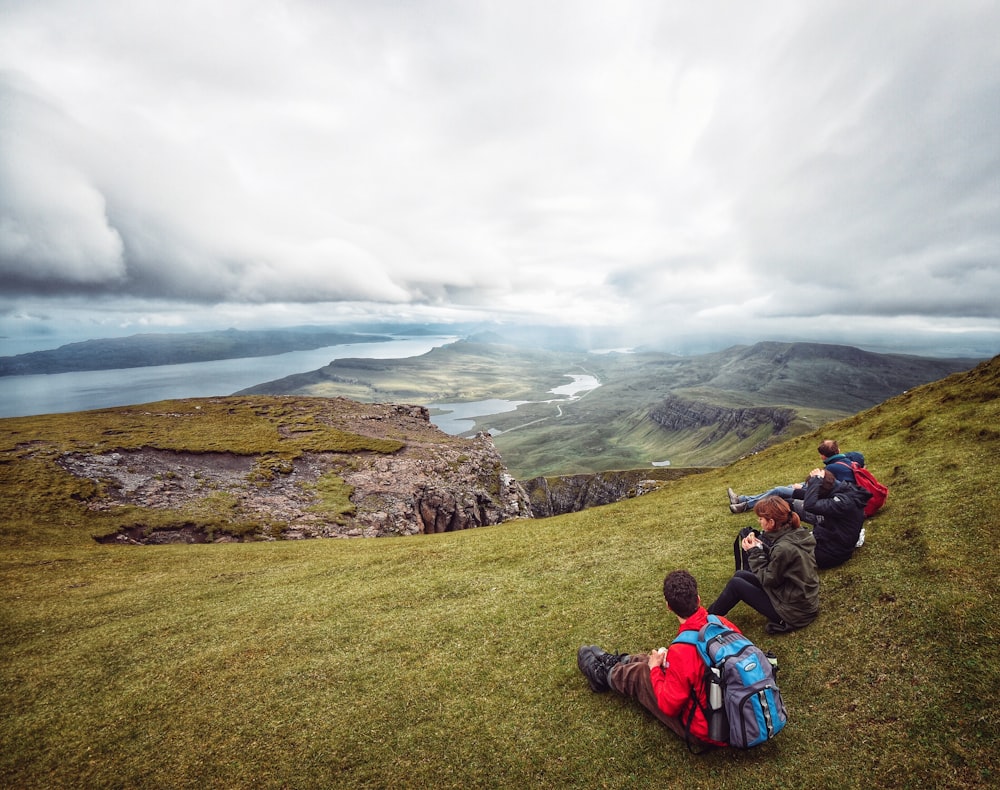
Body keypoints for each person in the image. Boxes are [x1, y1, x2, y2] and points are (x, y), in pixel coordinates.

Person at [577, 570, 740, 748]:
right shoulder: (722, 623)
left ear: (668, 607)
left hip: (708, 731)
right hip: (735, 713)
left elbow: (669, 705)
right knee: (654, 660)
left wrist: (655, 669)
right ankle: (617, 662)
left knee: (643, 673)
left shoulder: (683, 650)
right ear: (698, 599)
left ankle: (603, 675)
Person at [708, 496, 819, 634]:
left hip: (795, 613)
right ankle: (712, 614)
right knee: (740, 575)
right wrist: (761, 548)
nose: (758, 521)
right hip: (802, 599)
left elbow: (769, 579)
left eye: (761, 519)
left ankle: (704, 621)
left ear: (771, 522)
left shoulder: (783, 548)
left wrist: (754, 552)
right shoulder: (798, 533)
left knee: (736, 585)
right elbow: (781, 564)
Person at [726, 439, 864, 513]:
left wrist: (803, 489)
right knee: (785, 488)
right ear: (838, 450)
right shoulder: (848, 459)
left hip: (824, 495)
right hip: (839, 494)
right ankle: (741, 499)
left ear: (822, 456)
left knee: (779, 490)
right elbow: (858, 457)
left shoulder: (832, 468)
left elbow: (824, 491)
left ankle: (745, 505)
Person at [797, 468, 870, 569]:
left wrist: (816, 480)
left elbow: (810, 505)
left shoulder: (841, 503)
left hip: (831, 554)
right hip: (832, 542)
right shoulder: (842, 491)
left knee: (789, 555)